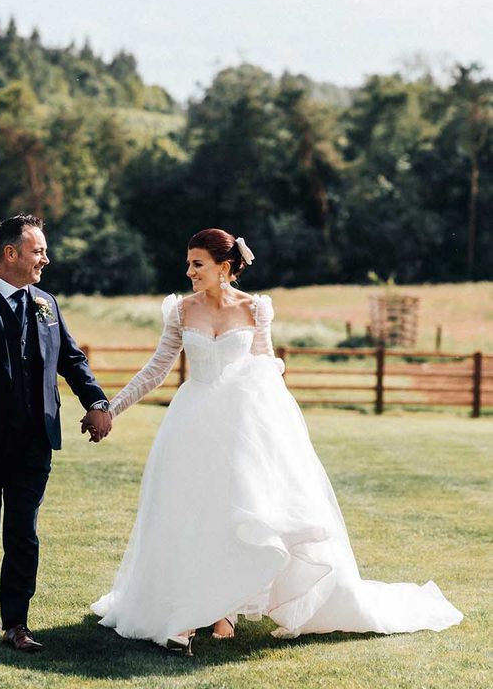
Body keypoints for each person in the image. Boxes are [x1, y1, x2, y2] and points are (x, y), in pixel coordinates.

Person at [91, 228, 462, 653]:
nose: (189, 271)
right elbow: (156, 370)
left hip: (242, 425)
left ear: (224, 268)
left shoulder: (255, 310)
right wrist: (110, 408)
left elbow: (266, 369)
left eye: (198, 264)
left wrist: (280, 432)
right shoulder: (180, 311)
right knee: (191, 514)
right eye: (189, 263)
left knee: (238, 515)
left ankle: (223, 609)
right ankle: (186, 616)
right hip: (191, 425)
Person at [0, 214, 112, 652]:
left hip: (35, 438)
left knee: (23, 530)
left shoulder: (47, 303)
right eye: (38, 251)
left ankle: (17, 622)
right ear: (10, 253)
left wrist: (99, 403)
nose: (45, 258)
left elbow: (72, 359)